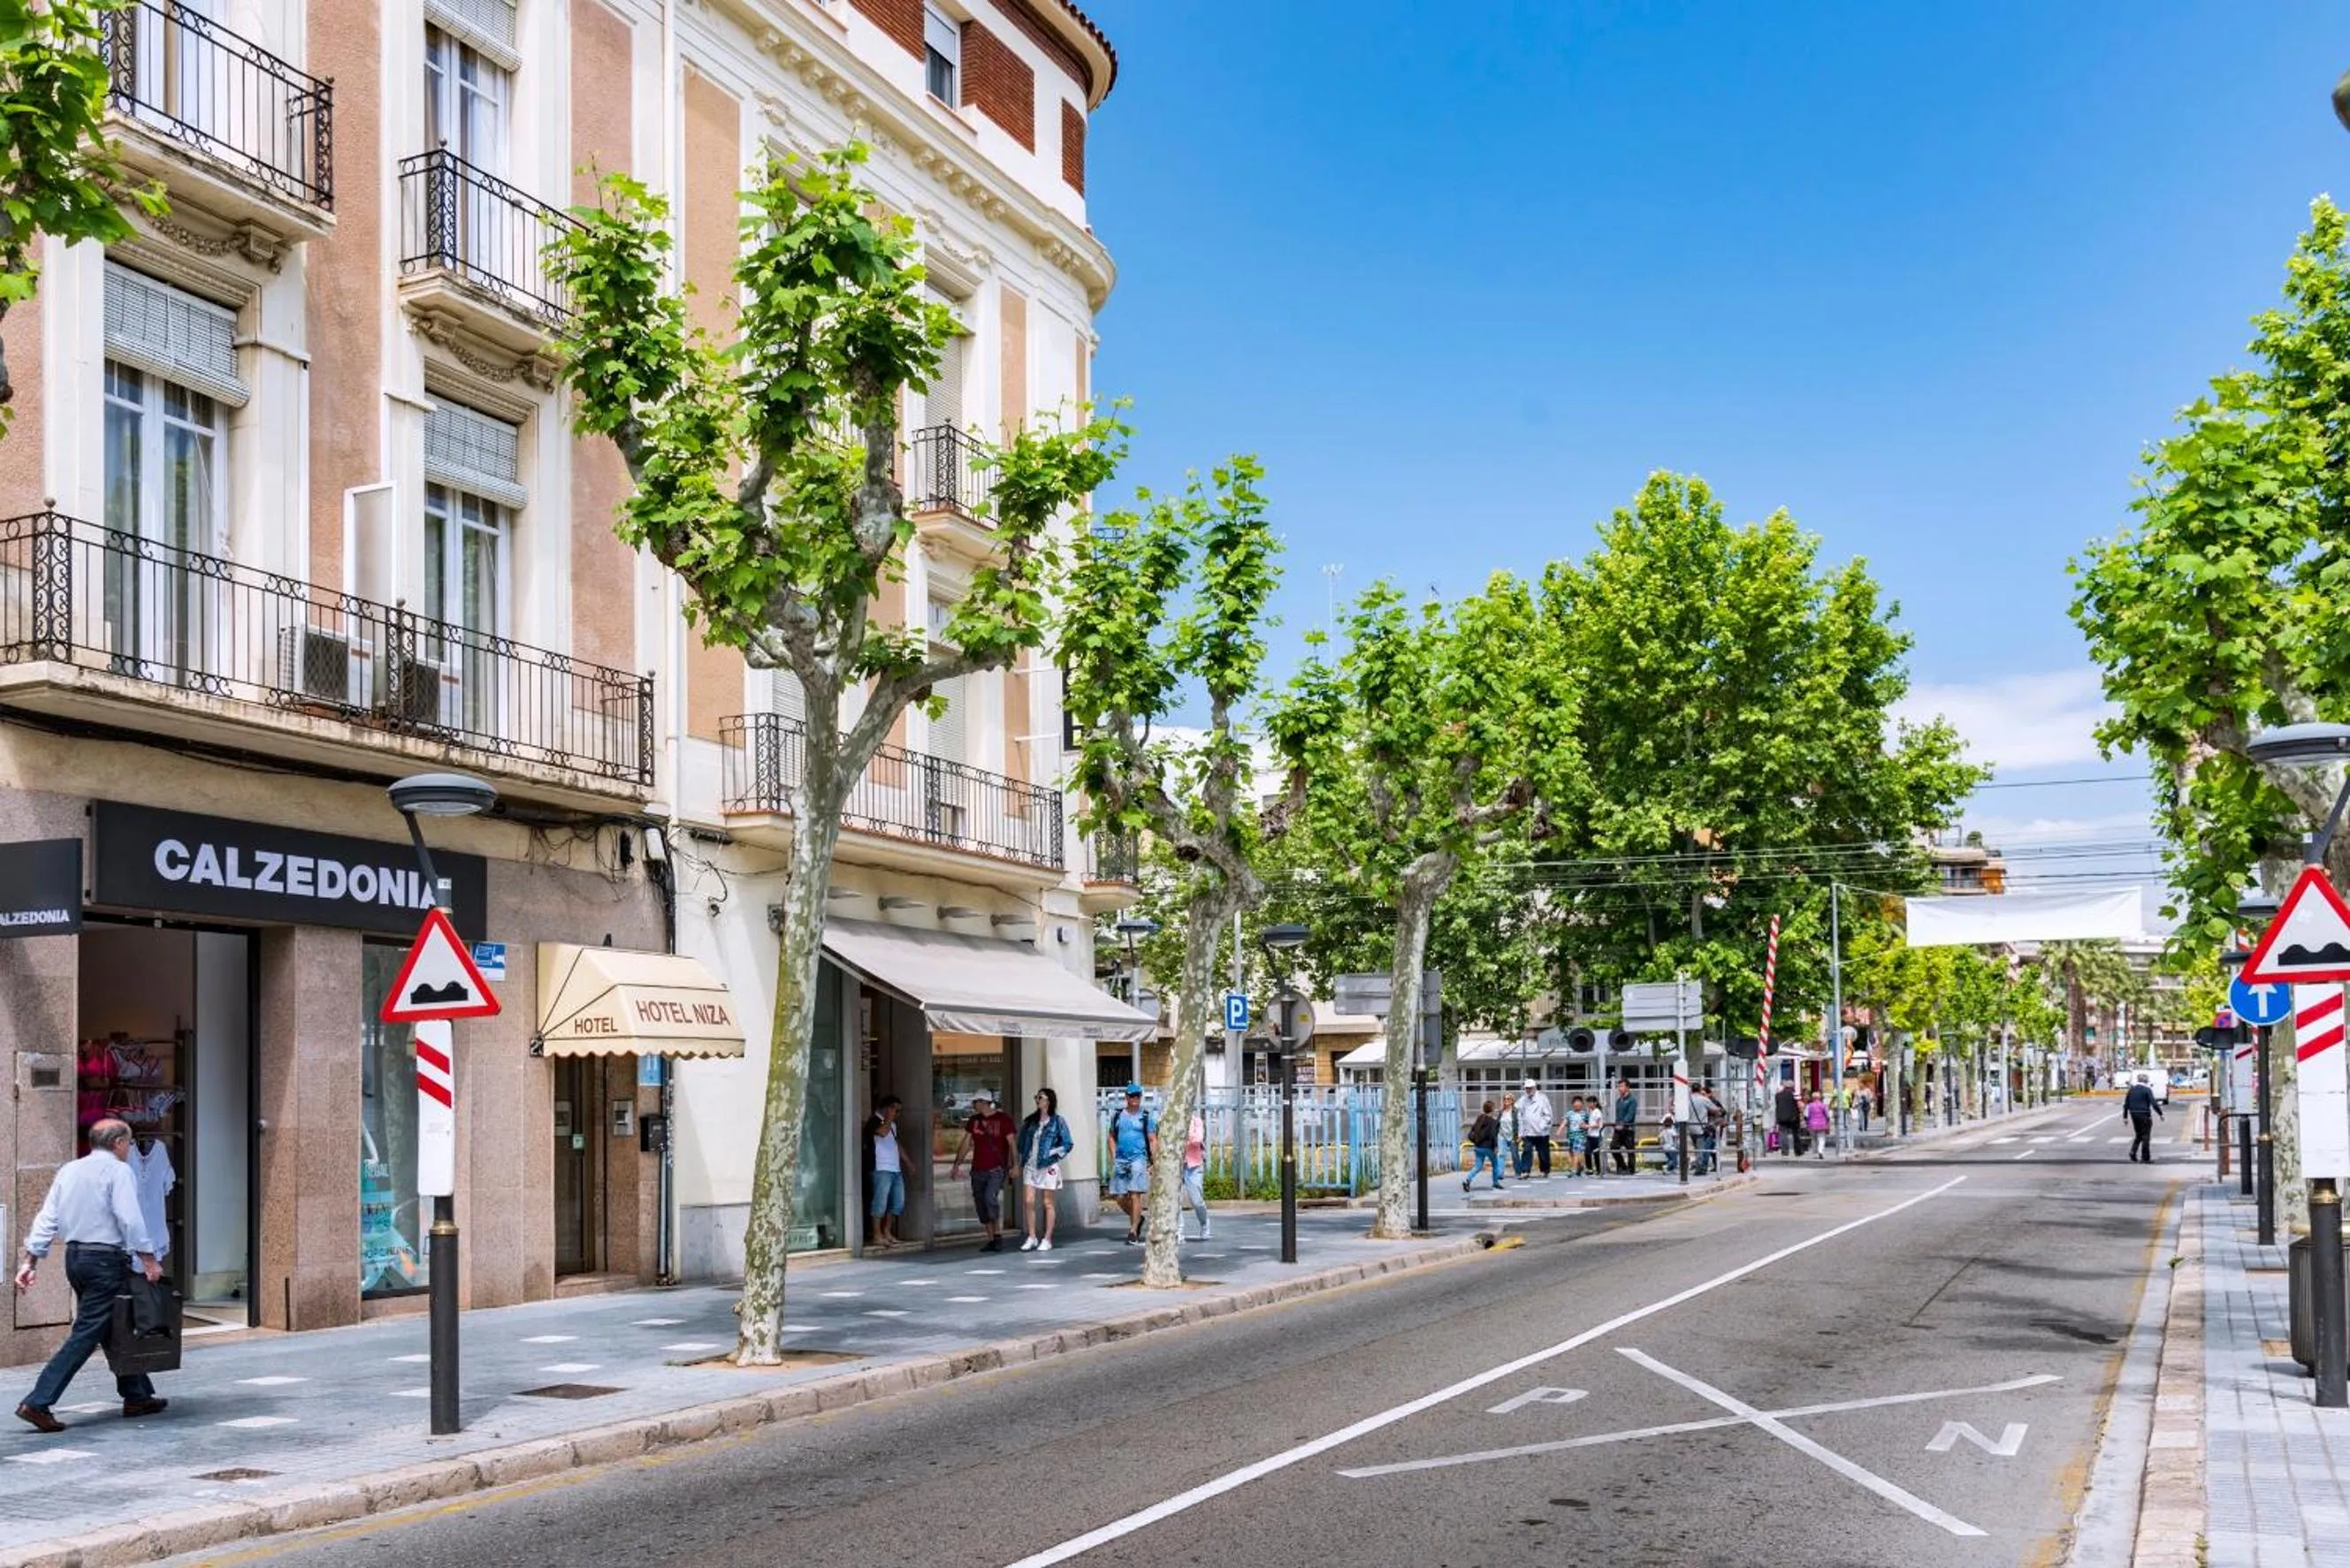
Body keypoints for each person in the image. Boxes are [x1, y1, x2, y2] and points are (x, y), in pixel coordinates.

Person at [14, 1118, 167, 1431]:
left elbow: (47, 1217)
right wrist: (149, 1259)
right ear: (118, 1144)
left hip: (76, 1258)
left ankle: (137, 1395)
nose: (129, 1149)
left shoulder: (69, 1170)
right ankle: (38, 1401)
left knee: (114, 1325)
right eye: (128, 1142)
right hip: (104, 1261)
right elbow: (130, 1219)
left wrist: (31, 1260)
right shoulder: (119, 1171)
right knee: (87, 1332)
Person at [949, 1093, 1018, 1252]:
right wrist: (957, 1164)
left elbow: (1012, 1143)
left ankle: (998, 1235)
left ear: (985, 1102)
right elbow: (966, 1143)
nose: (973, 1104)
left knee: (989, 1198)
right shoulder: (974, 1121)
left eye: (976, 1101)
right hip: (977, 1170)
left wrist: (1015, 1165)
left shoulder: (1003, 1119)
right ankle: (991, 1239)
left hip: (996, 1169)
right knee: (981, 1204)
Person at [1017, 1088, 1073, 1252]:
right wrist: (1020, 1163)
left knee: (1048, 1202)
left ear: (1049, 1101)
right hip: (1031, 1164)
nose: (1037, 1100)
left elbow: (1068, 1144)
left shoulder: (1058, 1121)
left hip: (1048, 1165)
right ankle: (1032, 1236)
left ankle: (1047, 1238)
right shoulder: (1030, 1122)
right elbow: (1022, 1145)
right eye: (1036, 1097)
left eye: (1040, 1097)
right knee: (1028, 1201)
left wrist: (1053, 1153)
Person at [1107, 1084, 1156, 1245]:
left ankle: (1133, 1230)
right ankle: (1138, 1218)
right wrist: (1114, 1155)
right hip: (1121, 1159)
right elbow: (1111, 1137)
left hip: (1138, 1158)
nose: (1135, 1099)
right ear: (1127, 1097)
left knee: (1135, 1194)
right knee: (1118, 1195)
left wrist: (1154, 1161)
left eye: (1138, 1096)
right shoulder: (1118, 1116)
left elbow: (1152, 1139)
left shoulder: (1146, 1117)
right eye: (1132, 1096)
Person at [865, 1096, 906, 1250]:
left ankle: (887, 1232)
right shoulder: (874, 1120)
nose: (897, 1113)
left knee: (896, 1202)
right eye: (895, 1109)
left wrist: (908, 1162)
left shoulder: (893, 1126)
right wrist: (888, 1118)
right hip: (881, 1167)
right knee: (880, 1202)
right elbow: (881, 1133)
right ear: (887, 1108)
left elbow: (896, 1144)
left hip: (895, 1168)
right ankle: (877, 1234)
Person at [1179, 1108, 1211, 1242]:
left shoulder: (1197, 1122)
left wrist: (1182, 1137)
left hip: (1194, 1164)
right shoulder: (1171, 1122)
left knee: (1197, 1201)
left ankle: (1204, 1223)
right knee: (1175, 1201)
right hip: (1177, 1165)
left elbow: (1197, 1140)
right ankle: (1179, 1231)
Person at [1463, 1100, 1504, 1191]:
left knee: (1478, 1166)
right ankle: (1495, 1183)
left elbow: (1473, 1130)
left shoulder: (1480, 1118)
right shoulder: (1493, 1122)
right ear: (1492, 1109)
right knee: (1495, 1164)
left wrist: (1500, 1115)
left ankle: (1467, 1180)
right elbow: (1493, 1135)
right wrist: (1495, 1147)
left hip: (1478, 1147)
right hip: (1488, 1147)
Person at [2123, 1075, 2163, 1163]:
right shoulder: (2147, 1090)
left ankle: (2133, 1152)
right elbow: (2154, 1103)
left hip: (2133, 1114)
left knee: (2138, 1135)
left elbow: (2126, 1104)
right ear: (2146, 1081)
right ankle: (2145, 1158)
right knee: (2146, 1136)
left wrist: (2125, 1117)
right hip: (2144, 1114)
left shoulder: (2131, 1090)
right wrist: (2160, 1114)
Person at [1519, 1078, 1555, 1178]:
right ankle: (1525, 1170)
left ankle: (1545, 1170)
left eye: (1530, 1088)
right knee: (1527, 1151)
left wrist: (1541, 1126)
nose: (1528, 1090)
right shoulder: (1523, 1099)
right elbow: (1519, 1113)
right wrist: (1521, 1132)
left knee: (1543, 1152)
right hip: (1528, 1131)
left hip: (1541, 1132)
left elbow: (1548, 1115)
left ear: (1535, 1088)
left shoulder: (1542, 1098)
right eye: (1527, 1088)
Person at [1611, 1078, 1640, 1174]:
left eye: (1622, 1086)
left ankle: (1631, 1169)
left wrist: (1623, 1123)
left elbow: (1630, 1115)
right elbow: (1618, 1115)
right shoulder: (1619, 1100)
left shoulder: (1632, 1100)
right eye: (1618, 1086)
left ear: (1627, 1087)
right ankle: (1622, 1166)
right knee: (1613, 1147)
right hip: (1618, 1129)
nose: (1619, 1088)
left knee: (1630, 1150)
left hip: (1628, 1129)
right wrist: (1616, 1124)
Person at [1774, 1080, 1802, 1158]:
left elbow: (1777, 1105)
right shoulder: (1795, 1094)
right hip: (1793, 1117)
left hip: (1781, 1117)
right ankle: (1798, 1151)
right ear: (1792, 1086)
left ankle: (1785, 1152)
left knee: (1783, 1134)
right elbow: (1800, 1105)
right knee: (1795, 1134)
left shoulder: (1778, 1095)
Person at [1562, 1095, 1588, 1178]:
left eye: (1579, 1104)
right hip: (1571, 1136)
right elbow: (1565, 1122)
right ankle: (1579, 1167)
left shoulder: (1585, 1114)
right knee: (1572, 1153)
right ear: (1573, 1104)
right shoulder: (1570, 1113)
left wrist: (1586, 1127)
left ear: (1582, 1104)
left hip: (1580, 1136)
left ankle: (1573, 1169)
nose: (1577, 1105)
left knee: (1576, 1153)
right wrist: (1559, 1130)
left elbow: (1588, 1124)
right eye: (1576, 1104)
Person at [1499, 1092, 1522, 1180]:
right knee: (1501, 1155)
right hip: (1502, 1136)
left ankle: (1518, 1172)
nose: (1506, 1100)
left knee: (1515, 1155)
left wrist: (1520, 1135)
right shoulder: (1501, 1111)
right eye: (1504, 1099)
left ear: (1512, 1101)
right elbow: (1498, 1123)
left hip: (1513, 1136)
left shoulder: (1516, 1111)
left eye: (1508, 1099)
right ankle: (1500, 1173)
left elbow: (1520, 1123)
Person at [1583, 1095, 1607, 1175]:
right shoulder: (1591, 1112)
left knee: (1596, 1153)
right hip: (1590, 1135)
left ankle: (1598, 1170)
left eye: (1590, 1102)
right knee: (1587, 1152)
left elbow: (1597, 1124)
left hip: (1596, 1136)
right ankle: (1590, 1169)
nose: (1589, 1104)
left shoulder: (1597, 1112)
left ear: (1595, 1103)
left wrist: (1588, 1126)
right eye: (1588, 1103)